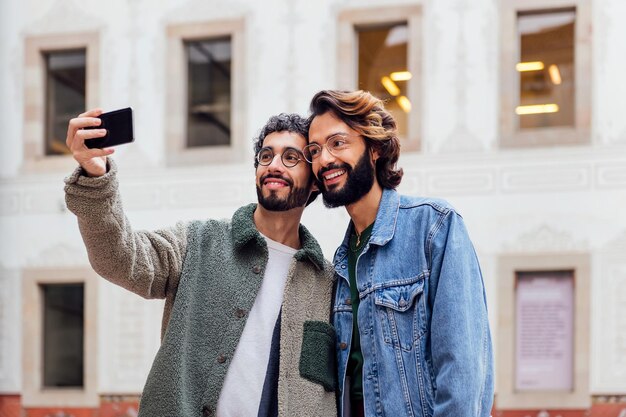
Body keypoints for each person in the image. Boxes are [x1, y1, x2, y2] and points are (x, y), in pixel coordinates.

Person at [64, 109, 338, 417]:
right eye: (266, 156)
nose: (274, 165)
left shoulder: (326, 283)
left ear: (315, 182)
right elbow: (119, 258)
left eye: (291, 158)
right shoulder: (198, 241)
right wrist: (95, 177)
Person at [304, 90, 494, 417]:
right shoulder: (338, 262)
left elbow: (464, 372)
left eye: (338, 143)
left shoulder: (433, 226)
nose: (323, 160)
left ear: (375, 147)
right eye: (315, 150)